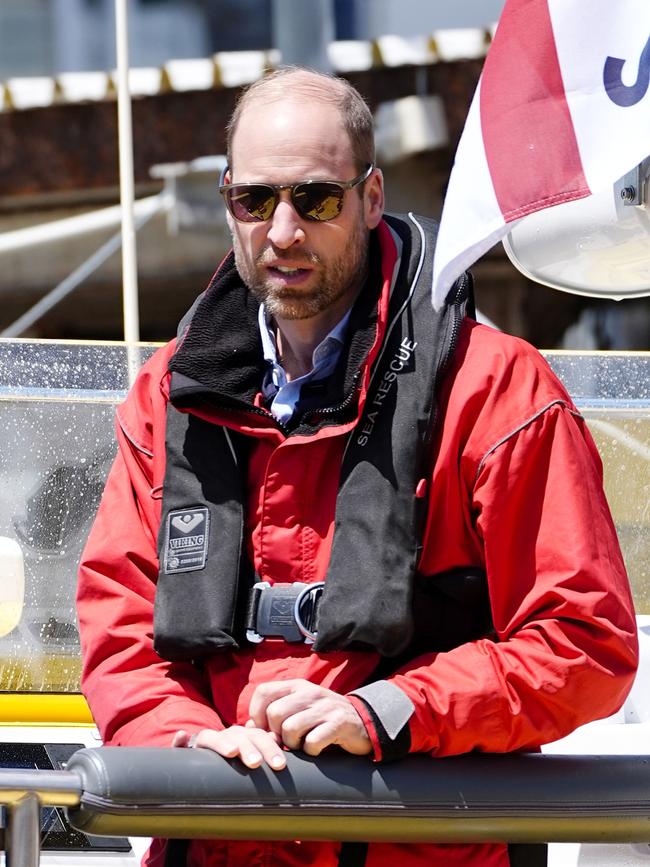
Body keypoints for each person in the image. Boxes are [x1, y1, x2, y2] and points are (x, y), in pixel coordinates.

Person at [76, 67, 638, 867]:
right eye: (256, 200)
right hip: (221, 840)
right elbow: (120, 633)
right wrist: (187, 743)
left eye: (316, 199)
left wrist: (391, 708)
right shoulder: (166, 395)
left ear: (372, 198)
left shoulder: (496, 390)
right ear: (229, 201)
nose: (282, 230)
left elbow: (586, 646)